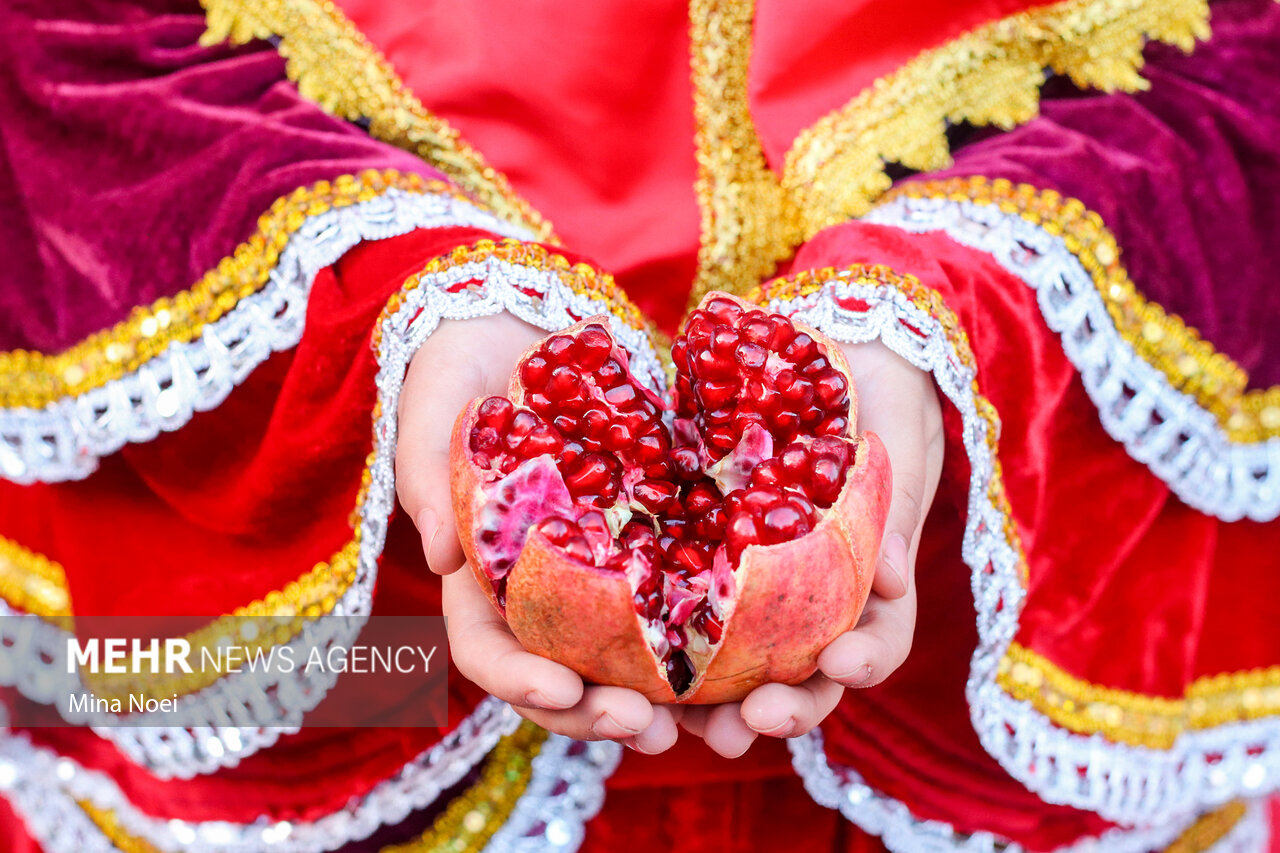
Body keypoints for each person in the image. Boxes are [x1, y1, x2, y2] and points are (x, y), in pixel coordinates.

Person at [0, 0, 1277, 850]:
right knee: (184, 697)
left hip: (944, 614)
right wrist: (387, 307)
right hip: (366, 630)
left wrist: (942, 322)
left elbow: (1234, 52)